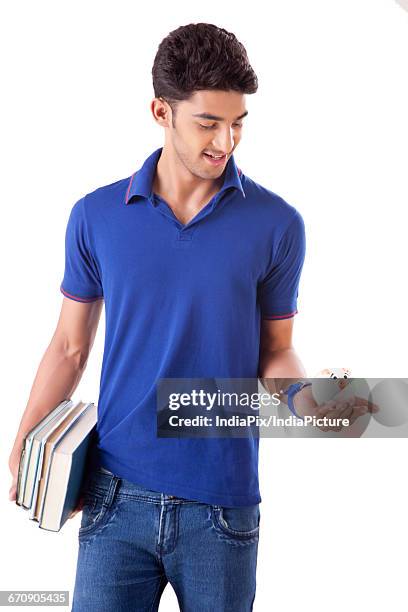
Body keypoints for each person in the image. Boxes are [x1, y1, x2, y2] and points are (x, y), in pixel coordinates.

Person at [8, 21, 375, 612]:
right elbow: (70, 347)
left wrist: (307, 400)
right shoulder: (96, 215)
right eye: (208, 122)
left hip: (222, 504)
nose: (225, 141)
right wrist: (27, 441)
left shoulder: (278, 224)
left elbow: (276, 348)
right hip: (113, 496)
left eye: (237, 124)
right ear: (161, 110)